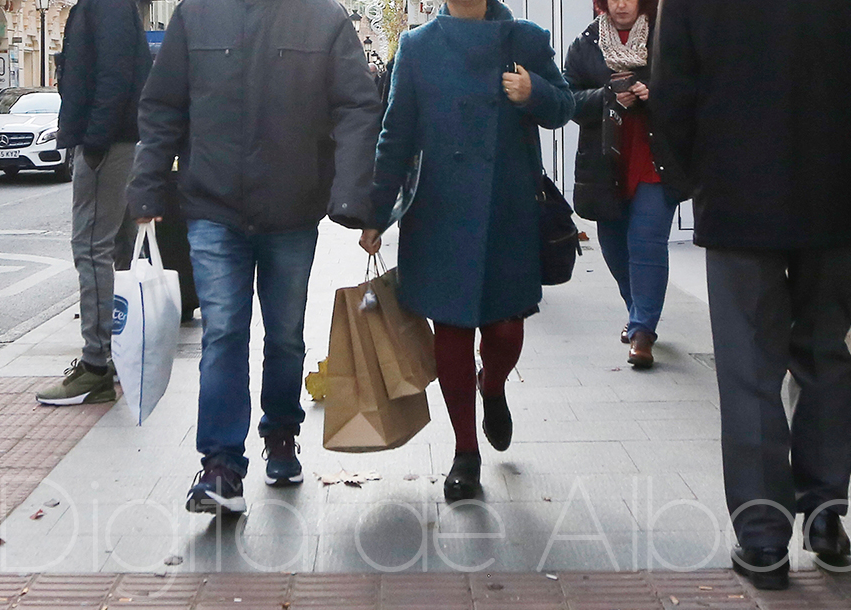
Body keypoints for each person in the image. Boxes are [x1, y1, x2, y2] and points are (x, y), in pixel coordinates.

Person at [651, 0, 851, 590]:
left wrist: (692, 175)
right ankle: (826, 519)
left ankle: (763, 538)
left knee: (749, 368)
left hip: (736, 192)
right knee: (825, 353)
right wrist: (847, 122)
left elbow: (671, 86)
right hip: (831, 185)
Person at [129, 0, 381, 515]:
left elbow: (357, 105)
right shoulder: (195, 15)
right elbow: (162, 107)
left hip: (291, 207)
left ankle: (282, 431)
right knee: (223, 330)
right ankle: (221, 465)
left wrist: (353, 195)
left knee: (286, 332)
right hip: (212, 205)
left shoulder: (322, 18)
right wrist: (147, 188)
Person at [364, 0, 575, 501]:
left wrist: (534, 92)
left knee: (506, 327)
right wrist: (374, 213)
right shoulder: (417, 48)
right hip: (439, 208)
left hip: (508, 208)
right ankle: (465, 453)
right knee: (451, 329)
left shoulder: (526, 38)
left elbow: (566, 106)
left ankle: (493, 385)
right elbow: (395, 134)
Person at [36, 0, 152, 407]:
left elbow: (114, 74)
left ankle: (96, 365)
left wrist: (96, 140)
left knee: (90, 246)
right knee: (115, 248)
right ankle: (112, 355)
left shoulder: (106, 5)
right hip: (115, 136)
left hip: (106, 141)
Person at [564, 0, 679, 369]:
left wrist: (653, 94)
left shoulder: (667, 37)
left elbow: (691, 90)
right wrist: (607, 97)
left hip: (653, 158)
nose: (622, 3)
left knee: (646, 241)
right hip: (606, 163)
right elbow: (568, 101)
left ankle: (644, 330)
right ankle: (635, 310)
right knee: (613, 242)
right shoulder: (586, 43)